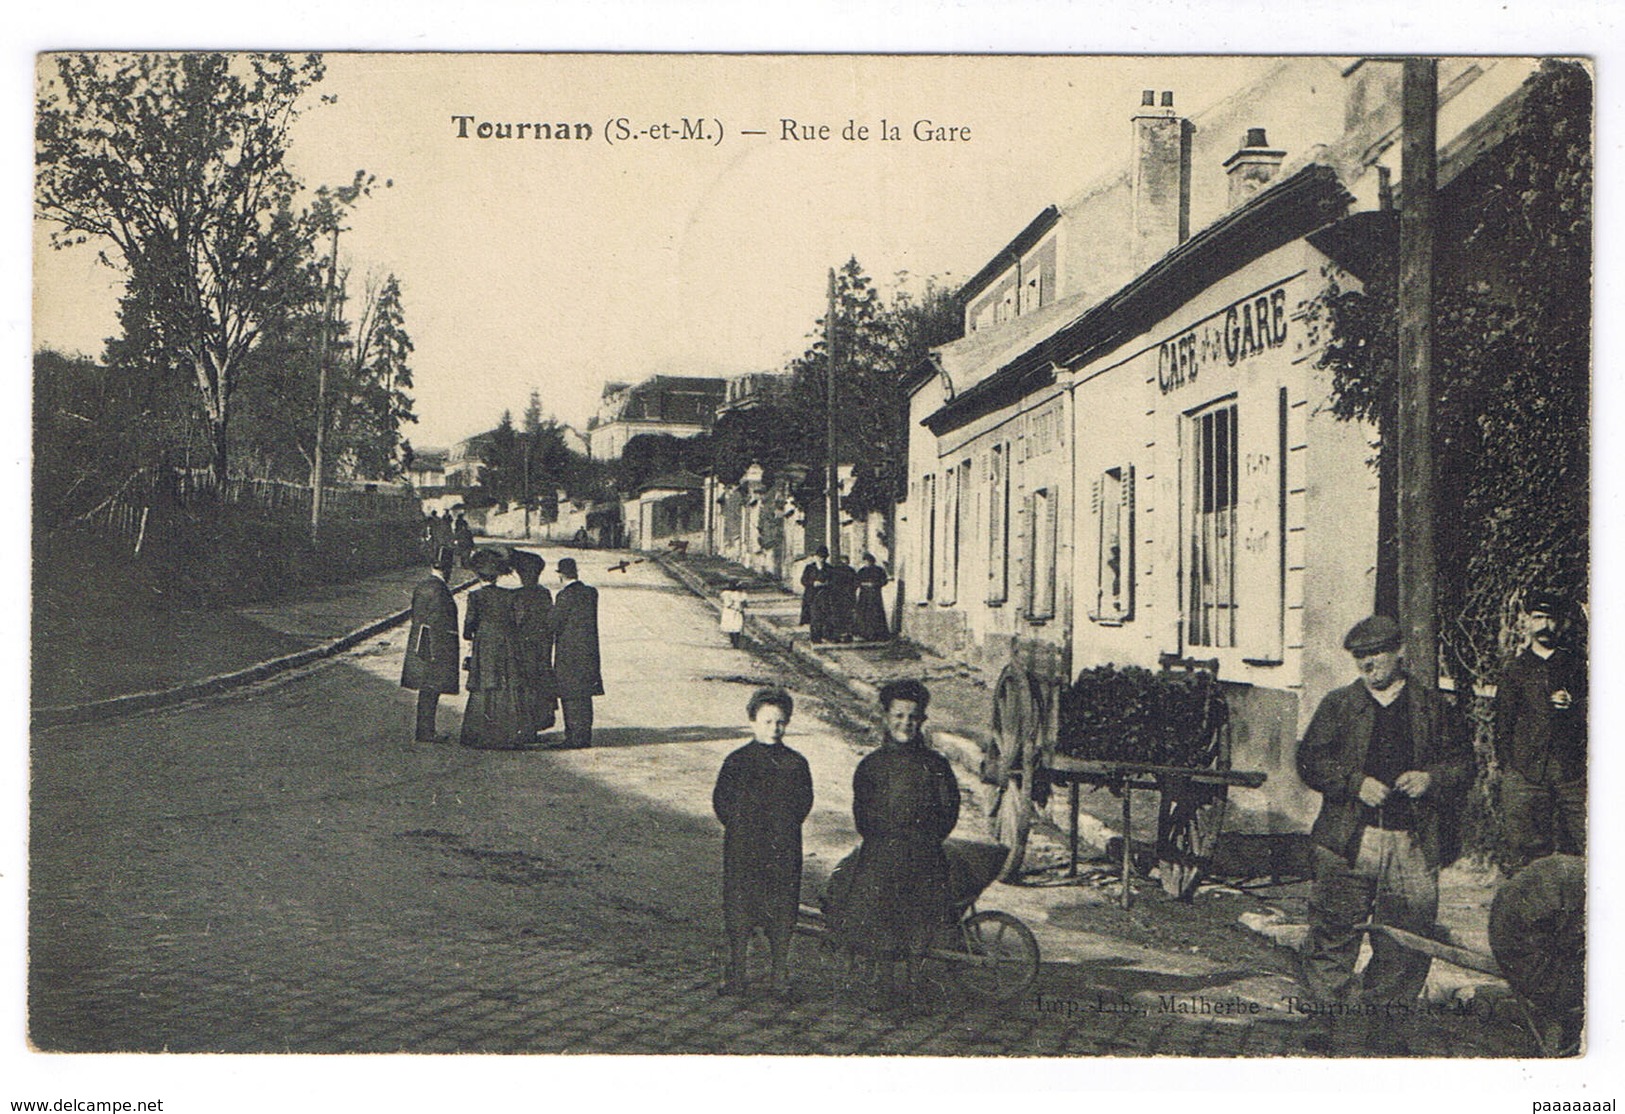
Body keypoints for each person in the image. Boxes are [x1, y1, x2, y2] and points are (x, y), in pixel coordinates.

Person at [1294, 615, 1473, 1054]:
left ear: (1398, 653)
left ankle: (1384, 1028)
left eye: (1376, 654)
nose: (1368, 664)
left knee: (1407, 939)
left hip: (1411, 840)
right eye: (1360, 657)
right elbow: (1310, 761)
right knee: (1334, 932)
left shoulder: (1431, 707)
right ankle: (1327, 1024)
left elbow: (1464, 764)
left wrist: (1431, 778)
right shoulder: (1339, 705)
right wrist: (1353, 782)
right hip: (1350, 839)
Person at [834, 679, 960, 1010]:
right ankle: (885, 984)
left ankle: (915, 985)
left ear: (922, 721)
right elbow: (863, 813)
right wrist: (884, 839)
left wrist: (927, 839)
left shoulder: (936, 766)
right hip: (882, 852)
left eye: (913, 717)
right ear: (886, 718)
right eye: (899, 716)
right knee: (881, 918)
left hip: (923, 853)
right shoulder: (871, 766)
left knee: (920, 921)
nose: (905, 723)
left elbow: (949, 810)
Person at [711, 687, 814, 999]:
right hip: (744, 849)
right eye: (767, 722)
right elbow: (722, 802)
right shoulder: (737, 762)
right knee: (740, 911)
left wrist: (782, 828)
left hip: (782, 850)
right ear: (753, 722)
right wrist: (743, 827)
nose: (774, 729)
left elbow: (803, 802)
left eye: (780, 722)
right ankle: (738, 972)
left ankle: (779, 973)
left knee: (781, 911)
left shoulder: (795, 764)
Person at [1494, 590, 1586, 872]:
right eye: (1539, 618)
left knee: (1586, 841)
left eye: (1551, 619)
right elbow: (1502, 723)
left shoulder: (1577, 666)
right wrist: (1510, 766)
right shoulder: (1515, 669)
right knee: (1526, 850)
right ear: (1529, 623)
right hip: (1527, 772)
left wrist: (1575, 705)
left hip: (1571, 772)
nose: (1545, 625)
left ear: (1562, 623)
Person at [459, 548, 527, 750]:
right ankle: (507, 734)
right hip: (507, 643)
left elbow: (469, 623)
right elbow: (519, 619)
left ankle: (480, 733)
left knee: (484, 682)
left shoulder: (476, 596)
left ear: (479, 575)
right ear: (497, 576)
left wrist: (469, 634)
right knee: (505, 683)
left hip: (485, 644)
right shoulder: (510, 595)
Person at [400, 544, 460, 742]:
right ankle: (426, 732)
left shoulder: (423, 585)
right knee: (431, 690)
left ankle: (425, 730)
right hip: (434, 647)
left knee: (426, 690)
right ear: (447, 569)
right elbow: (439, 623)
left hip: (421, 644)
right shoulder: (440, 590)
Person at [551, 557, 603, 749]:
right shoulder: (591, 593)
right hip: (588, 651)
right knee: (585, 695)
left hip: (569, 652)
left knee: (570, 695)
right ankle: (584, 736)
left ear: (561, 575)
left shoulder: (564, 596)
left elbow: (554, 623)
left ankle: (573, 737)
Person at [509, 549, 558, 741]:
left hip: (524, 647)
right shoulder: (544, 593)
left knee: (524, 686)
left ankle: (525, 728)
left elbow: (516, 621)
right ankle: (536, 725)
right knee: (539, 685)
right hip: (542, 647)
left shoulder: (518, 595)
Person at [853, 553, 890, 643]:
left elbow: (884, 581)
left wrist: (875, 584)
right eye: (865, 561)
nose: (867, 563)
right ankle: (864, 634)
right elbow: (856, 581)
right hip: (864, 595)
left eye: (869, 561)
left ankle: (878, 634)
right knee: (864, 613)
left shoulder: (879, 570)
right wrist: (863, 584)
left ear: (872, 561)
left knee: (876, 613)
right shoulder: (862, 571)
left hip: (875, 595)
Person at [799, 547, 831, 642]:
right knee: (814, 616)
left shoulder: (829, 568)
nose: (821, 559)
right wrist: (813, 583)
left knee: (824, 616)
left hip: (825, 595)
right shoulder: (809, 568)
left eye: (824, 557)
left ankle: (824, 635)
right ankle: (815, 638)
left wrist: (827, 583)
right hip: (812, 596)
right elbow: (803, 580)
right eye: (820, 557)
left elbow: (834, 581)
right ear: (815, 557)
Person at [825, 553, 857, 642]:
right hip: (839, 596)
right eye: (844, 561)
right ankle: (838, 635)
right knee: (839, 615)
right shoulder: (836, 571)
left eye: (846, 561)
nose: (845, 563)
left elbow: (855, 583)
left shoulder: (850, 570)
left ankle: (846, 635)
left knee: (846, 616)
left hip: (846, 596)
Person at [719, 580, 748, 650]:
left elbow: (745, 603)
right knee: (734, 626)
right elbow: (744, 604)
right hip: (733, 611)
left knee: (734, 626)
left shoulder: (739, 594)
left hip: (733, 611)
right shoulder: (730, 594)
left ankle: (735, 641)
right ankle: (735, 641)